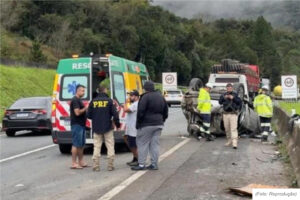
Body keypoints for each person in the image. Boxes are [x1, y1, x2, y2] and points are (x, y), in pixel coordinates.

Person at [131, 81, 168, 171]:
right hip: (159, 124)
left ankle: (141, 165)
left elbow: (141, 112)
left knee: (142, 143)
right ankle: (154, 164)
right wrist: (162, 120)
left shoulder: (145, 97)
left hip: (146, 124)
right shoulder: (161, 97)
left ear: (145, 88)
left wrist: (138, 124)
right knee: (154, 145)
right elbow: (166, 111)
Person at [87, 85, 121, 171]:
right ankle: (110, 165)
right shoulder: (109, 101)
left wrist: (96, 118)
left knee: (97, 146)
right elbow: (115, 115)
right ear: (105, 90)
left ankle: (96, 166)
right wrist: (117, 125)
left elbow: (88, 115)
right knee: (110, 146)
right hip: (108, 127)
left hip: (96, 127)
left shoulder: (93, 101)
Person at [70, 85, 88, 169]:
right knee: (76, 144)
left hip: (81, 125)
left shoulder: (79, 100)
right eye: (82, 91)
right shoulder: (75, 100)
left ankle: (81, 161)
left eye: (84, 91)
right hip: (77, 125)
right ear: (77, 91)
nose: (83, 92)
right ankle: (74, 163)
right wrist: (85, 108)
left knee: (81, 144)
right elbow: (77, 113)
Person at [219, 83, 242, 149]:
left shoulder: (235, 95)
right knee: (227, 128)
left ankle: (234, 143)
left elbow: (240, 102)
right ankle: (229, 140)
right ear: (226, 88)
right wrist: (224, 98)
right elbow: (220, 102)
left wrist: (233, 98)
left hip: (233, 114)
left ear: (232, 88)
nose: (229, 89)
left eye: (230, 88)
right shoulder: (223, 95)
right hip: (225, 114)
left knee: (233, 129)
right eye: (228, 88)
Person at [123, 90, 139, 166]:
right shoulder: (134, 104)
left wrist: (125, 103)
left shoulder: (136, 104)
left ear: (136, 97)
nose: (130, 97)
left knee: (133, 144)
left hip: (133, 128)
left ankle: (138, 159)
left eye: (132, 96)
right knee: (126, 138)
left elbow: (125, 110)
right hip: (130, 127)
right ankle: (135, 157)